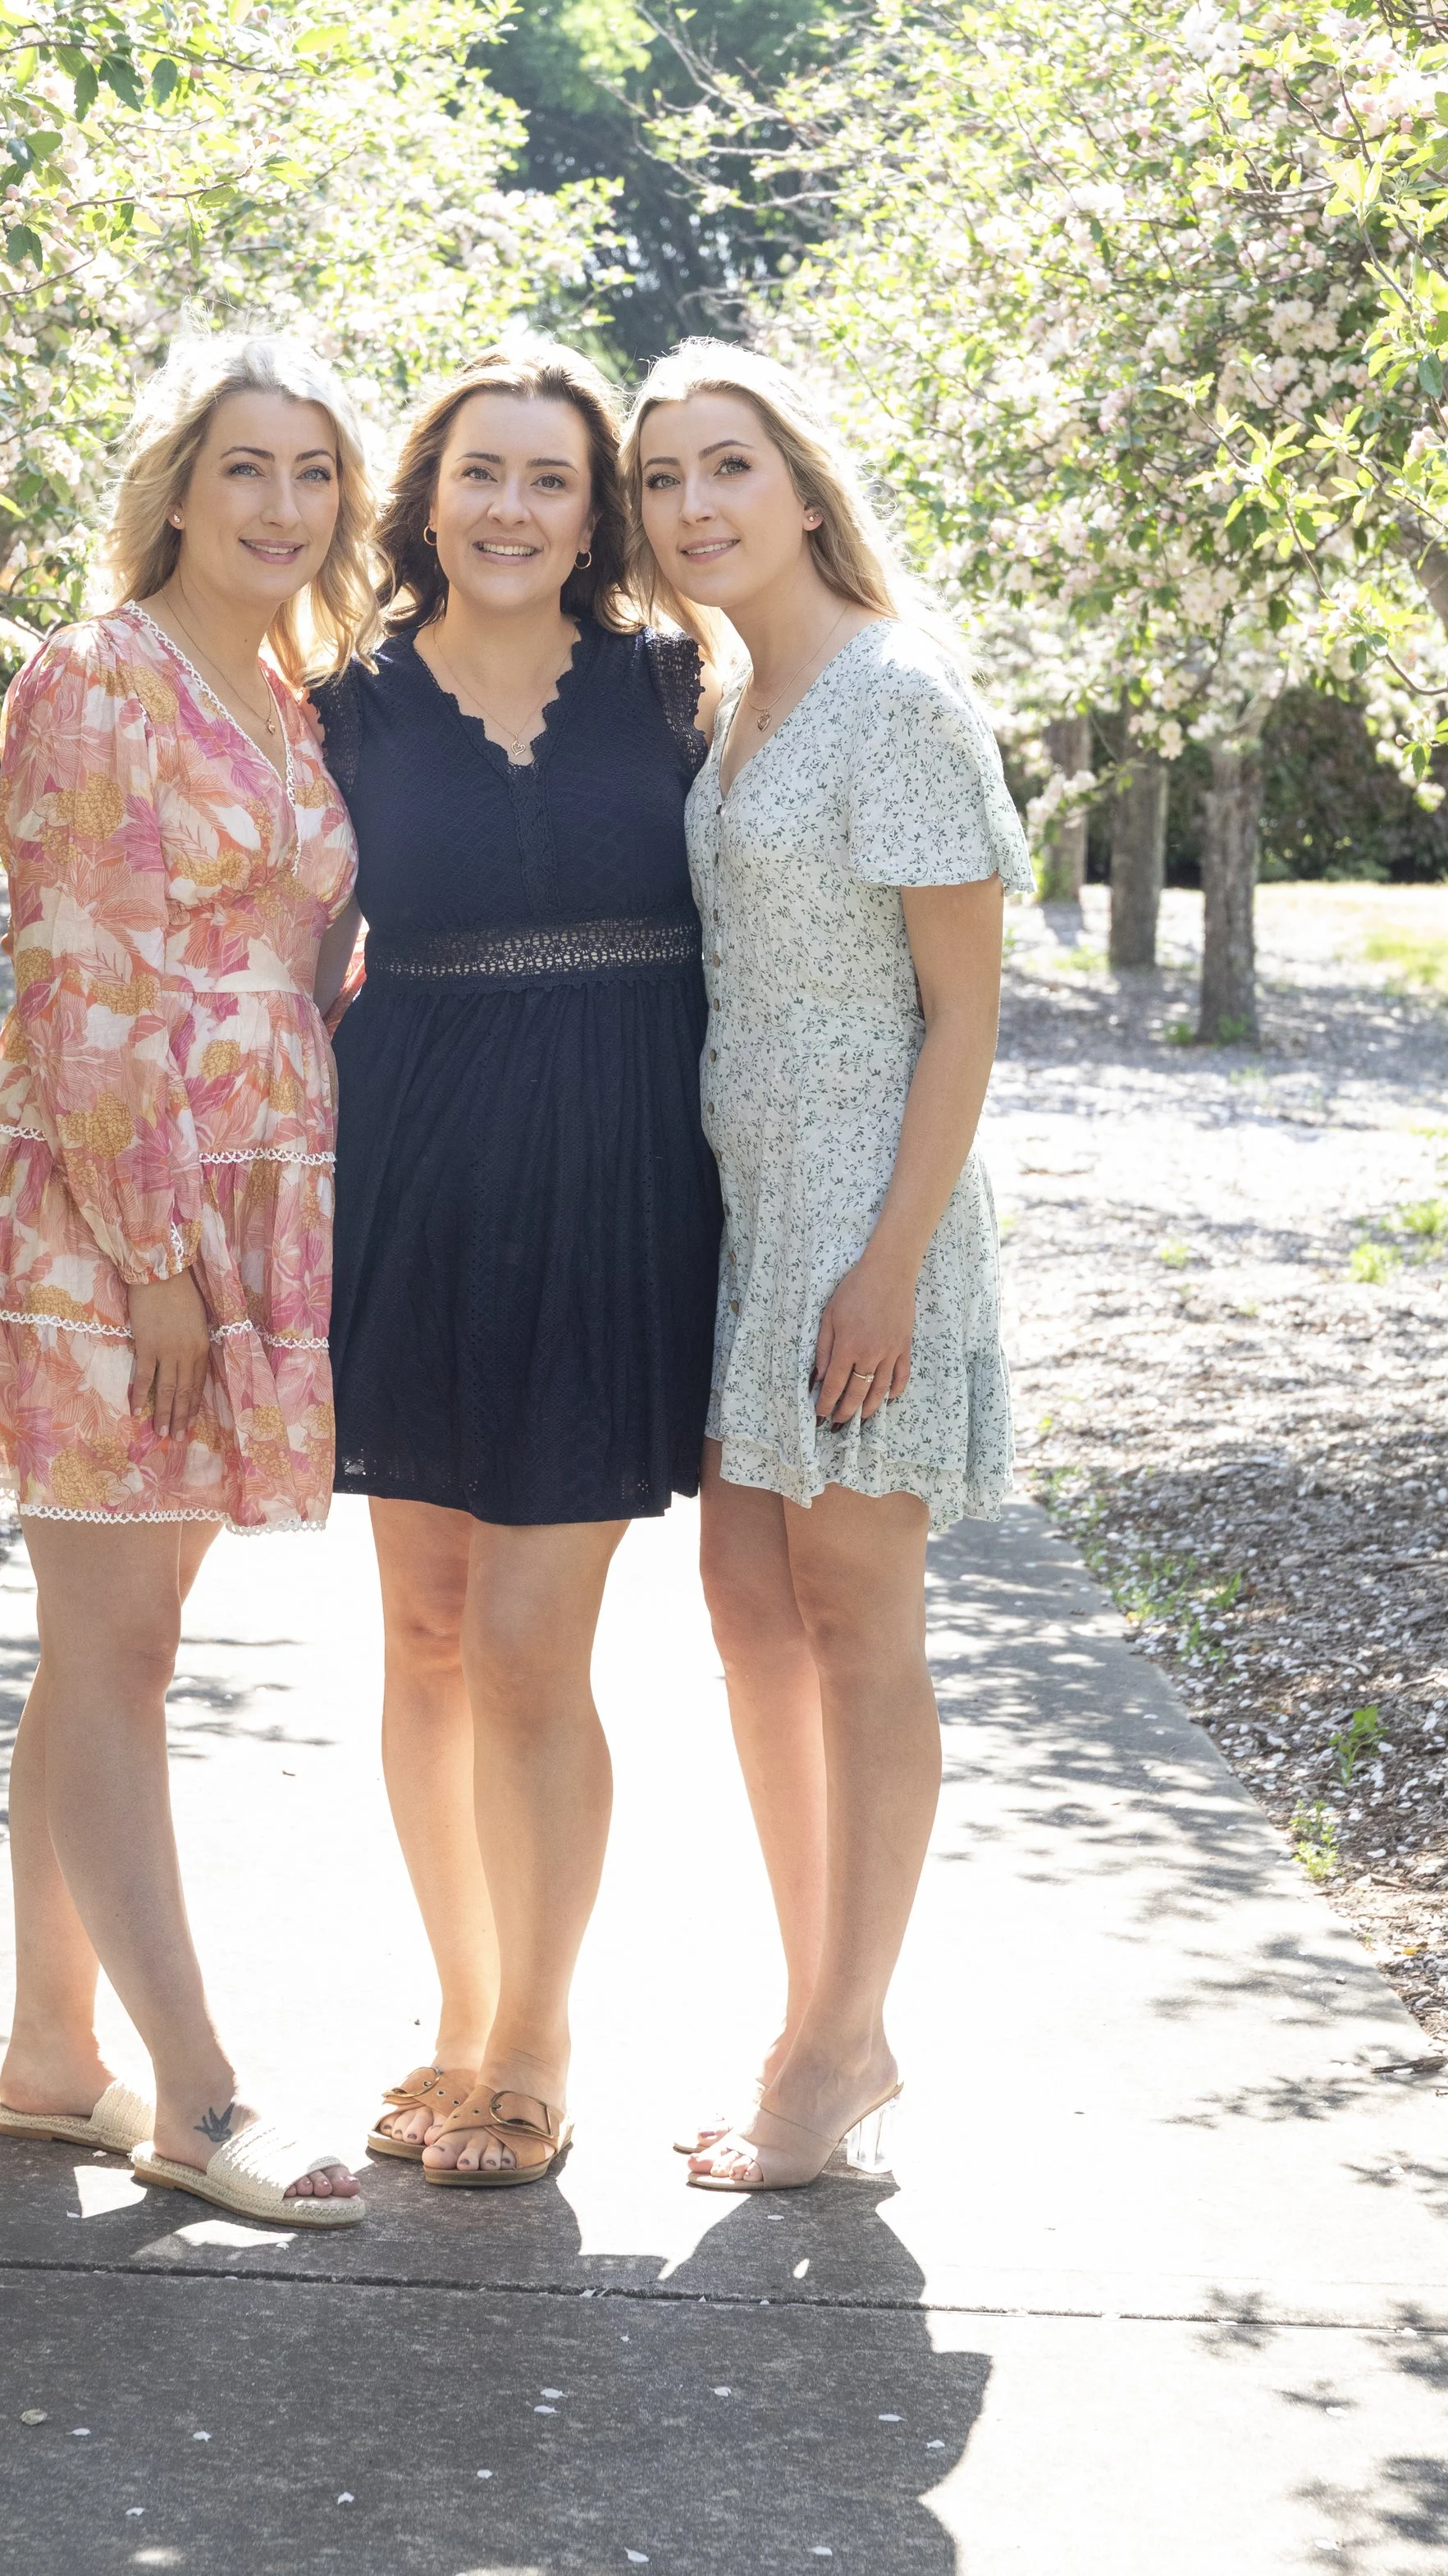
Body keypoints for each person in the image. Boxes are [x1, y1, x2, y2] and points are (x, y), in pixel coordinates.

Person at [0, 333, 374, 2227]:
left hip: (255, 1194)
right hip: (112, 1205)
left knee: (103, 1648)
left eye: (313, 474)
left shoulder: (289, 691)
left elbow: (296, 939)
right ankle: (195, 2091)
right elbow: (77, 974)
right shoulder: (96, 678)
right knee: (120, 1652)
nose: (279, 507)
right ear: (176, 485)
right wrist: (160, 1257)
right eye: (246, 468)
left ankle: (47, 2057)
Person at [623, 340, 1034, 2191]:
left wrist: (882, 1266)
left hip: (869, 1212)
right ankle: (815, 2020)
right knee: (743, 1608)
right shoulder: (735, 691)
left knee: (859, 1625)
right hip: (746, 1214)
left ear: (800, 483)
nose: (692, 506)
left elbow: (962, 1017)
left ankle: (837, 2046)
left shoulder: (893, 693)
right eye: (660, 480)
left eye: (725, 467)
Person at [313, 340, 721, 2185]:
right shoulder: (344, 705)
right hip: (410, 1177)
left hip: (615, 1181)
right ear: (426, 495)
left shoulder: (671, 683)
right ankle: (458, 2016)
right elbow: (277, 947)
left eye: (550, 479)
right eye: (481, 471)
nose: (509, 507)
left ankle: (541, 2043)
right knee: (420, 1631)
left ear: (595, 510)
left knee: (535, 1645)